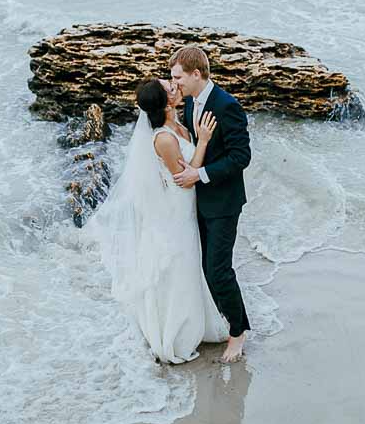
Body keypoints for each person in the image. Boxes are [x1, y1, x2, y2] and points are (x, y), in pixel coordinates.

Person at [86, 76, 229, 363]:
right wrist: (202, 141)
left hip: (185, 207)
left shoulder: (177, 124)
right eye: (169, 88)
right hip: (175, 210)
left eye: (173, 83)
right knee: (180, 264)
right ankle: (177, 331)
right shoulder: (163, 137)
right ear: (163, 104)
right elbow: (186, 178)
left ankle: (199, 319)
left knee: (191, 262)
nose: (175, 87)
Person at [170, 45, 251, 363]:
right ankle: (221, 319)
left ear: (196, 74)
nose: (174, 82)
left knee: (218, 270)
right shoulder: (191, 103)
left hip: (224, 201)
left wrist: (199, 174)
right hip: (198, 201)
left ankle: (238, 333)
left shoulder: (226, 105)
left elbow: (241, 157)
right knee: (204, 266)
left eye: (178, 77)